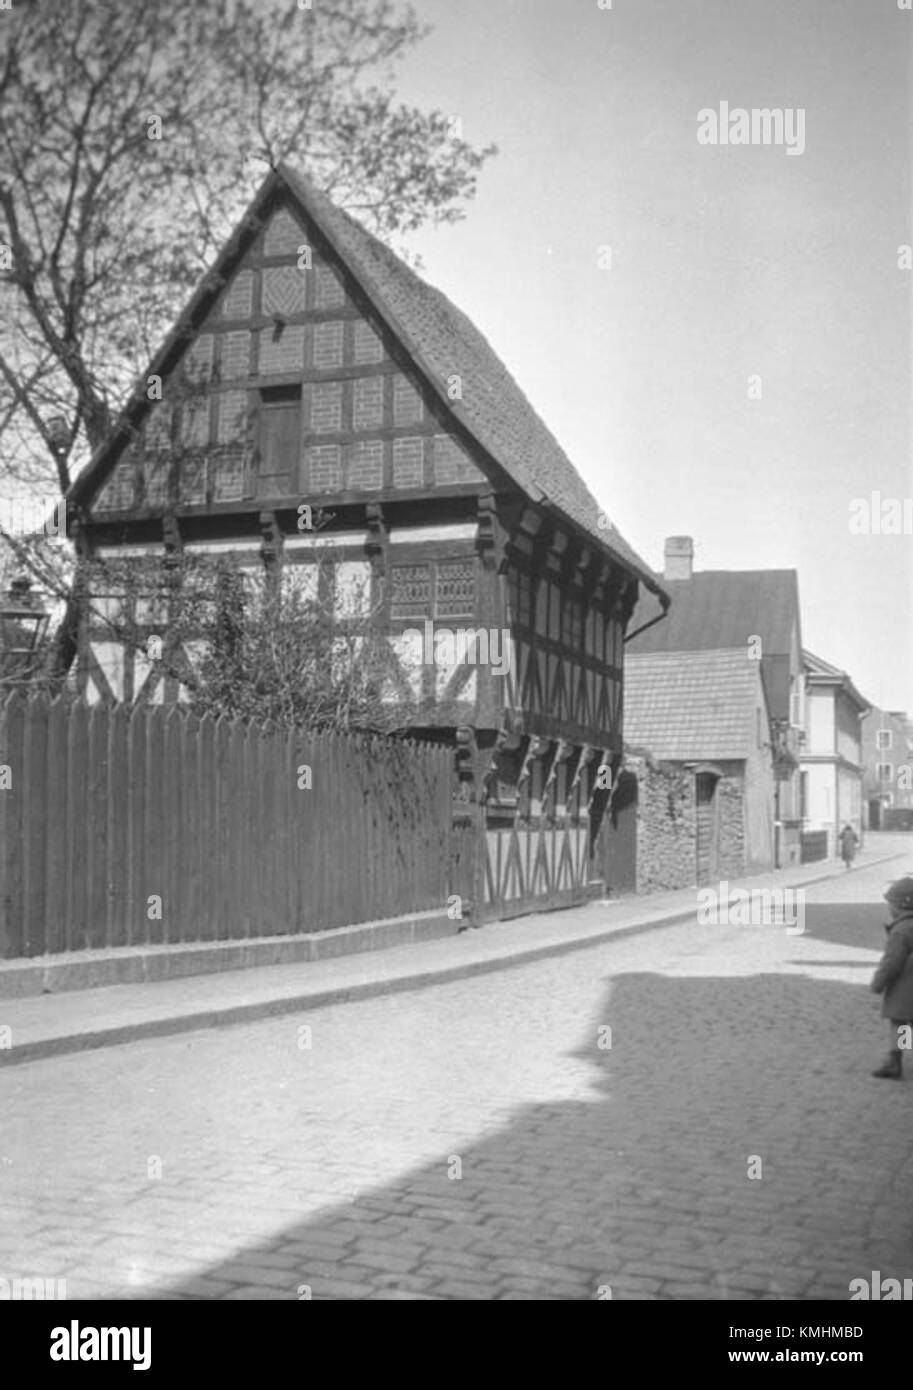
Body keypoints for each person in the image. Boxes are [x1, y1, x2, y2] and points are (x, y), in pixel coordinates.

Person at [870, 876, 913, 1079]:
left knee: (900, 1024)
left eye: (892, 903)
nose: (889, 908)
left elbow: (892, 962)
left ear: (903, 904)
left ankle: (895, 1062)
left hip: (905, 989)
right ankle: (896, 1061)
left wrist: (878, 983)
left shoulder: (902, 930)